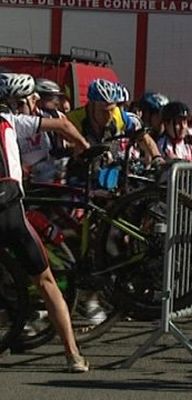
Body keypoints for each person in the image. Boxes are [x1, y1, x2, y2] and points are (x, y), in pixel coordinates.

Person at [0, 72, 90, 372]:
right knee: (46, 281)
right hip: (10, 210)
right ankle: (73, 355)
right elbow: (63, 124)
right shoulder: (10, 121)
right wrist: (83, 148)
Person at [67, 79, 162, 164]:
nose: (109, 116)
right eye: (104, 111)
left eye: (112, 109)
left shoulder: (118, 115)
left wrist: (157, 157)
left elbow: (143, 136)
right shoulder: (74, 119)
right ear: (91, 105)